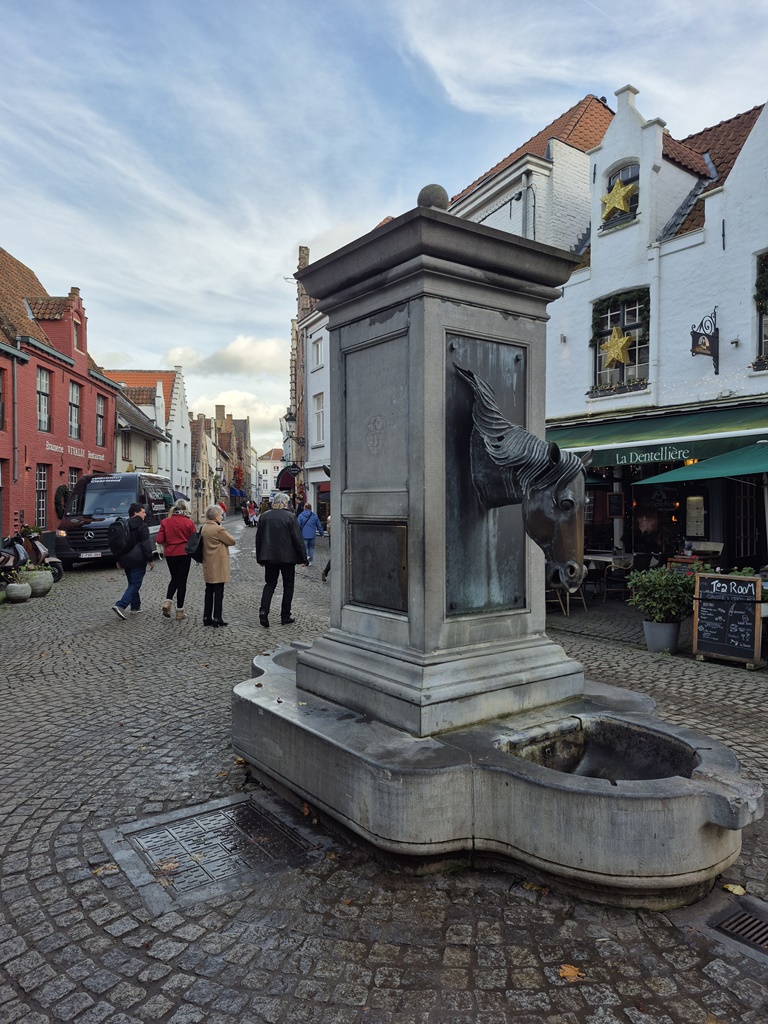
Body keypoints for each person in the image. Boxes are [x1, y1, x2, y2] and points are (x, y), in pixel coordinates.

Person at [255, 491, 308, 627]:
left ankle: (263, 611)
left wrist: (260, 558)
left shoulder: (264, 516)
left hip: (269, 557)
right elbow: (297, 539)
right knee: (288, 586)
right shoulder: (290, 517)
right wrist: (303, 558)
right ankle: (285, 615)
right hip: (287, 558)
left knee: (270, 584)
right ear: (285, 503)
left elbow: (259, 538)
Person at [156, 498, 197, 621]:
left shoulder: (165, 521)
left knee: (174, 578)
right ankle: (180, 612)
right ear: (185, 508)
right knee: (182, 582)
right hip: (184, 553)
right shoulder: (189, 522)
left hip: (170, 554)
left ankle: (167, 602)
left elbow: (159, 539)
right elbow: (194, 540)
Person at [111, 503, 154, 619]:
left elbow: (118, 544)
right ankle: (121, 605)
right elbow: (145, 543)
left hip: (125, 559)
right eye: (143, 512)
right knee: (135, 584)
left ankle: (135, 606)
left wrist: (118, 559)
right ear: (135, 513)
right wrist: (150, 558)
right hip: (138, 559)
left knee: (132, 583)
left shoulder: (123, 524)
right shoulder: (142, 526)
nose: (145, 514)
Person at [201, 504, 236, 627]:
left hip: (208, 562)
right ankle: (217, 617)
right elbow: (231, 541)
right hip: (218, 564)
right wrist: (222, 528)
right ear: (216, 516)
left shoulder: (204, 527)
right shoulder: (218, 529)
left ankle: (206, 617)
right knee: (219, 592)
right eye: (221, 515)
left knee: (209, 591)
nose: (222, 517)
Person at [321, 514, 331, 583]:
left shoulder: (329, 518)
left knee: (334, 556)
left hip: (331, 537)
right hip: (339, 538)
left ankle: (325, 571)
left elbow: (328, 530)